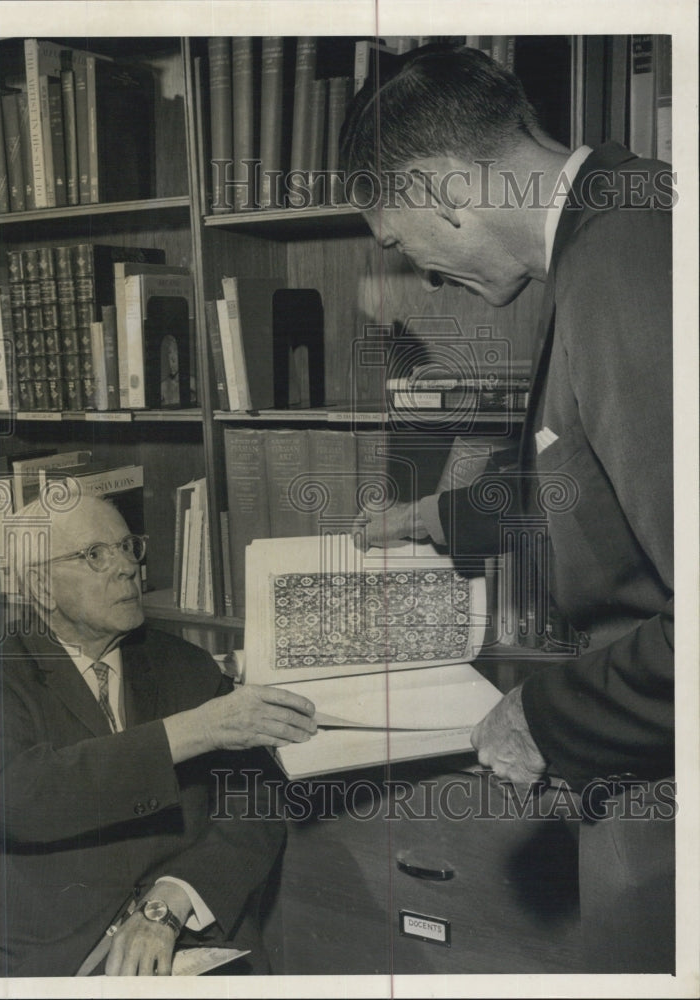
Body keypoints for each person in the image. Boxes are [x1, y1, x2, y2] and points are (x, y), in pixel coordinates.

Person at [339, 43, 674, 973]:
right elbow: (583, 477)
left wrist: (548, 717)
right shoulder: (624, 218)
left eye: (401, 243)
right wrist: (427, 519)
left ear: (442, 188)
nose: (423, 277)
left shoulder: (627, 265)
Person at [0, 493, 317, 977]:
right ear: (41, 586)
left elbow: (255, 803)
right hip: (52, 953)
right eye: (95, 555)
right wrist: (195, 729)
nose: (128, 567)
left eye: (128, 547)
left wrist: (177, 896)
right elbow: (14, 797)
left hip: (184, 931)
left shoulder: (184, 663)